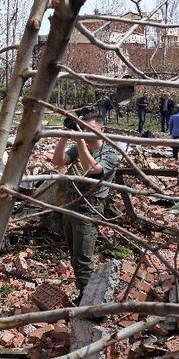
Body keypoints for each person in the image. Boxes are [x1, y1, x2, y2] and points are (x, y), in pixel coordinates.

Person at [51, 113, 119, 299]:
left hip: (90, 208)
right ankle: (85, 294)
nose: (85, 132)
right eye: (82, 127)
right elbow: (58, 161)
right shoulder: (79, 147)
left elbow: (92, 168)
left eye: (89, 128)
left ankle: (89, 299)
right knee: (74, 255)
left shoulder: (109, 152)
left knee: (83, 259)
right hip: (71, 204)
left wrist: (80, 139)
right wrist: (64, 138)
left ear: (101, 130)